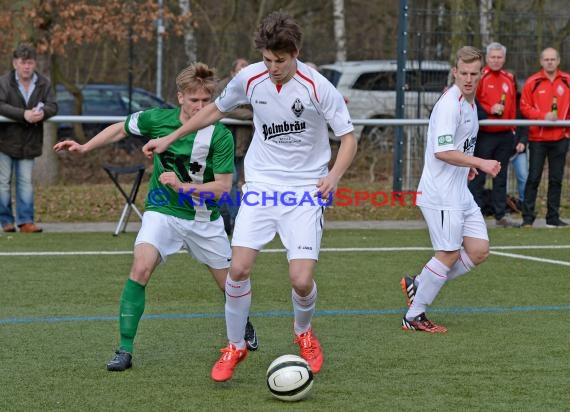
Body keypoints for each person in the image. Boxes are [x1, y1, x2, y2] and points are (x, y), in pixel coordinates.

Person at [142, 11, 357, 381]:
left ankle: (304, 332)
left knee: (301, 280)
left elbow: (349, 138)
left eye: (281, 61)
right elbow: (213, 110)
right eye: (268, 60)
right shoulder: (250, 77)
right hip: (260, 186)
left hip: (305, 190)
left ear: (296, 53)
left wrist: (334, 176)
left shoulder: (318, 86)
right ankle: (235, 344)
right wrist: (169, 138)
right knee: (237, 269)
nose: (273, 67)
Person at [53, 62, 258, 372]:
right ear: (180, 97)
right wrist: (85, 146)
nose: (200, 107)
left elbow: (223, 189)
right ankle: (124, 349)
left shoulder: (220, 135)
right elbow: (120, 128)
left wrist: (182, 186)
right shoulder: (157, 120)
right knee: (140, 268)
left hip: (204, 220)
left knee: (231, 286)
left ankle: (243, 323)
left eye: (206, 101)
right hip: (162, 211)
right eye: (194, 100)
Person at [399, 46, 501, 333]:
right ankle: (414, 315)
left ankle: (420, 283)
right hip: (441, 193)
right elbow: (442, 151)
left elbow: (457, 147)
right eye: (463, 73)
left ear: (481, 74)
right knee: (448, 253)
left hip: (459, 191)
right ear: (454, 72)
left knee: (479, 250)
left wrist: (466, 165)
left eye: (473, 74)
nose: (468, 79)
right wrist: (479, 162)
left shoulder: (469, 103)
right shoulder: (450, 104)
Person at [0, 43, 58, 233]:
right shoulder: (3, 82)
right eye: (23, 62)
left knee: (25, 182)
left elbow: (53, 106)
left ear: (34, 64)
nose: (26, 66)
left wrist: (43, 114)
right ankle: (6, 222)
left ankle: (26, 221)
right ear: (15, 63)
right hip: (5, 141)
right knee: (3, 183)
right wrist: (23, 114)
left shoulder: (44, 83)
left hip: (30, 141)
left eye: (30, 63)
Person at [468, 42, 518, 227]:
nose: (496, 60)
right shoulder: (481, 77)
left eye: (499, 57)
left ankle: (500, 215)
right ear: (487, 58)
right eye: (493, 57)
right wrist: (490, 108)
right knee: (478, 174)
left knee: (501, 176)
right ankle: (475, 214)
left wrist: (513, 129)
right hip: (485, 135)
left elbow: (513, 106)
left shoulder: (508, 78)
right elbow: (474, 102)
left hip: (505, 135)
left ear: (504, 59)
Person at [519, 47, 570, 228]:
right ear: (541, 61)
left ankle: (553, 218)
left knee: (556, 179)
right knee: (533, 177)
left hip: (560, 139)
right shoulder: (533, 82)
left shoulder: (567, 80)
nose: (549, 62)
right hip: (538, 139)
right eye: (546, 59)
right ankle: (527, 218)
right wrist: (543, 116)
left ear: (558, 61)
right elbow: (524, 107)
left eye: (552, 59)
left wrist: (567, 130)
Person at [215, 58, 253, 235]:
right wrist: (250, 114)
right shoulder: (223, 86)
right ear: (232, 72)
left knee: (236, 183)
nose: (244, 70)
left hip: (243, 143)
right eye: (240, 68)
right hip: (225, 142)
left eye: (246, 67)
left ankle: (226, 220)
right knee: (229, 181)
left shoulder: (252, 86)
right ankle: (236, 219)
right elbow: (224, 108)